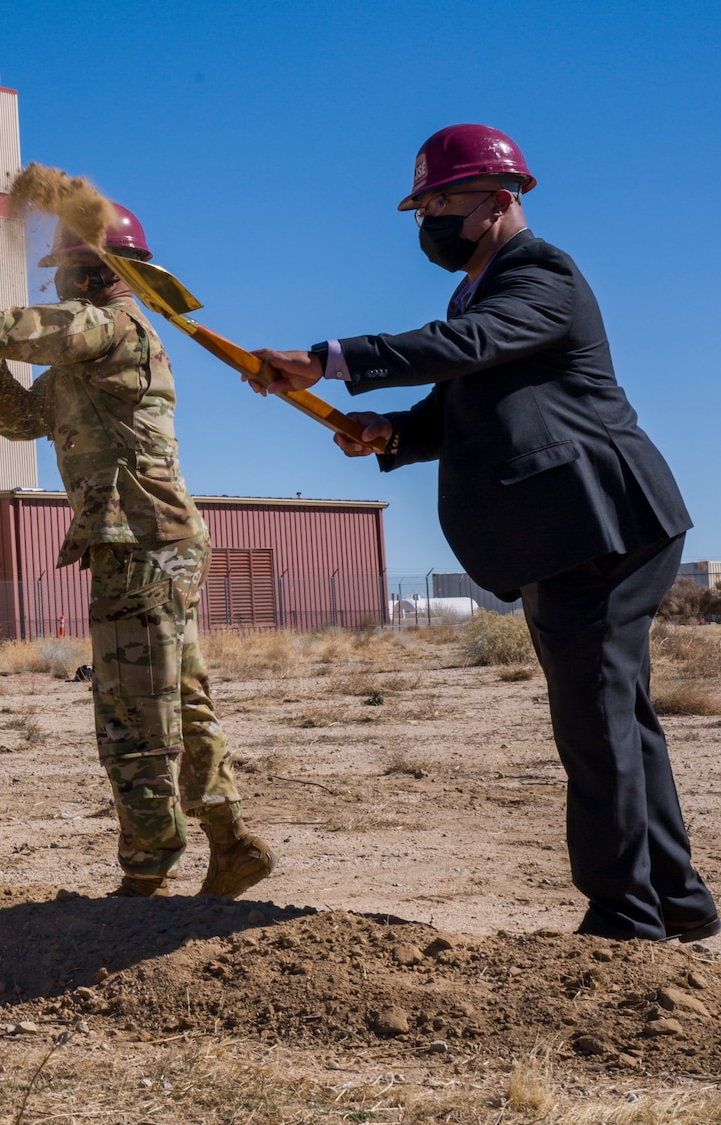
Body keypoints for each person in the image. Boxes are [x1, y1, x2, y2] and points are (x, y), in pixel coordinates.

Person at [251, 124, 715, 943]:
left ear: (500, 202)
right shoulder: (481, 296)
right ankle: (674, 900)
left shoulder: (541, 274)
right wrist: (390, 433)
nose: (428, 219)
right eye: (421, 206)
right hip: (573, 530)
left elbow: (465, 348)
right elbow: (461, 400)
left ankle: (622, 918)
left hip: (598, 525)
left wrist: (330, 359)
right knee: (618, 715)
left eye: (440, 201)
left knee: (596, 721)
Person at [0, 206, 275, 900]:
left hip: (139, 540)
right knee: (177, 697)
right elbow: (19, 419)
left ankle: (150, 866)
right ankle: (229, 839)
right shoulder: (86, 355)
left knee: (132, 710)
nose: (57, 283)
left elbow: (20, 328)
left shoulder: (111, 326)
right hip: (146, 539)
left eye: (65, 270)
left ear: (99, 268)